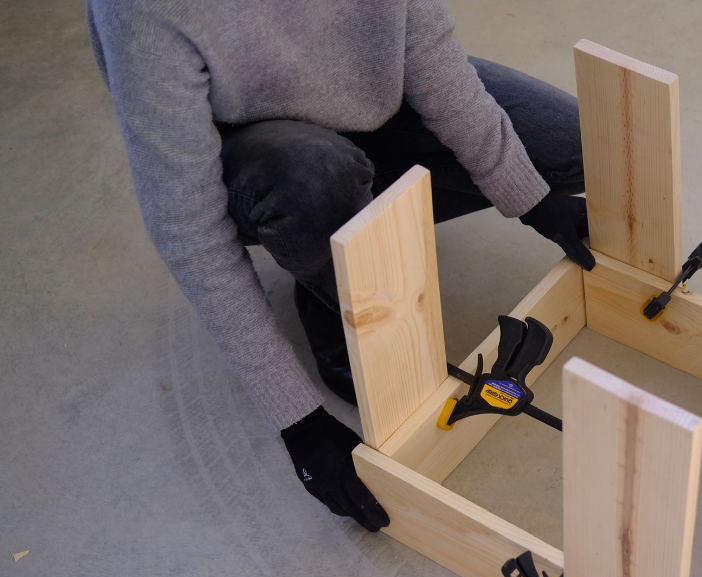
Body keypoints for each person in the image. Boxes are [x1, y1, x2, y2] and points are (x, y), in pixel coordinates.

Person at [86, 0, 596, 532]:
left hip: (371, 98)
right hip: (257, 150)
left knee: (574, 145)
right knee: (309, 178)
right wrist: (297, 420)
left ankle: (339, 231)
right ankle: (326, 263)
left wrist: (530, 197)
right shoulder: (143, 10)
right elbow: (188, 227)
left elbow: (434, 63)